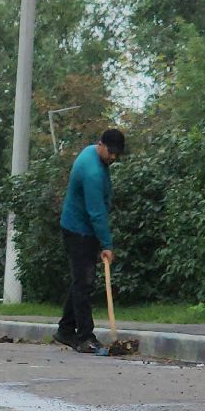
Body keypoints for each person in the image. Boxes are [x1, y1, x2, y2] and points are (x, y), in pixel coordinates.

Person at [54, 128, 126, 353]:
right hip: (79, 231)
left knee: (80, 281)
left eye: (117, 154)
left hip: (82, 227)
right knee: (84, 283)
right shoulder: (93, 172)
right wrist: (106, 245)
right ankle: (85, 337)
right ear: (100, 144)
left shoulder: (93, 155)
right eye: (110, 152)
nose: (113, 157)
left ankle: (65, 329)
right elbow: (96, 212)